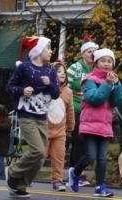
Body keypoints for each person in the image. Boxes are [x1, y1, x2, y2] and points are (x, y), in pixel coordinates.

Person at [68, 48, 122, 197]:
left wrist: (117, 84)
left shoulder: (111, 81)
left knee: (102, 158)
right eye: (103, 61)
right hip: (89, 125)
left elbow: (119, 100)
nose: (107, 64)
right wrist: (107, 84)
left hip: (105, 125)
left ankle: (100, 187)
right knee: (91, 156)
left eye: (109, 61)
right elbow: (95, 99)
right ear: (96, 63)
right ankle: (75, 172)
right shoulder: (89, 80)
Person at [6, 36, 59, 198]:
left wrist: (50, 83)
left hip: (42, 117)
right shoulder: (23, 68)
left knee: (41, 156)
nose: (51, 51)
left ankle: (21, 185)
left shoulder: (50, 70)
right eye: (48, 48)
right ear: (38, 51)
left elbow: (56, 94)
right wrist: (22, 90)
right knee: (37, 151)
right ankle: (13, 171)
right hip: (26, 115)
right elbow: (9, 87)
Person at [67, 35, 98, 186]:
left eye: (94, 52)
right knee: (79, 139)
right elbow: (64, 84)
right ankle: (75, 172)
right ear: (82, 53)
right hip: (76, 106)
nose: (91, 55)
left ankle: (78, 171)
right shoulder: (75, 68)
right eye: (88, 52)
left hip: (91, 108)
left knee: (87, 141)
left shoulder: (97, 69)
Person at [47, 61, 75, 191]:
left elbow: (70, 111)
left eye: (64, 71)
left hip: (60, 131)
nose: (62, 73)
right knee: (39, 155)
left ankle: (57, 181)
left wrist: (70, 127)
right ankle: (24, 176)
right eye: (58, 71)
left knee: (59, 156)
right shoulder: (45, 88)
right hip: (45, 129)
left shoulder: (68, 92)